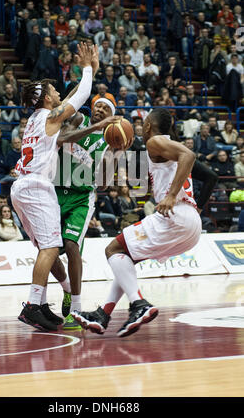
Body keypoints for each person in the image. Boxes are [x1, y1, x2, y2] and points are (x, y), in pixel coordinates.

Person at [72, 108, 202, 338]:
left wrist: (171, 195)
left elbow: (189, 156)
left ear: (149, 125)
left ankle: (139, 304)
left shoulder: (156, 142)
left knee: (112, 249)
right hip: (189, 223)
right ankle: (104, 314)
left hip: (176, 215)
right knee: (125, 258)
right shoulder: (160, 145)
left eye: (144, 122)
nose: (141, 125)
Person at [10, 43, 98, 332]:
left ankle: (44, 301)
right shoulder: (49, 117)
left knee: (45, 249)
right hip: (37, 186)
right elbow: (81, 95)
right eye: (55, 91)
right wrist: (87, 70)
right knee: (50, 247)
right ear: (47, 98)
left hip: (22, 186)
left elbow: (69, 99)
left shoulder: (37, 118)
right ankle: (33, 305)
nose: (60, 93)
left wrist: (89, 73)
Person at [48, 96, 123, 330]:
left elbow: (101, 185)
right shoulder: (79, 119)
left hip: (81, 196)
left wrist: (115, 153)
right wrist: (95, 127)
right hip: (55, 190)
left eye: (106, 108)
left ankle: (76, 309)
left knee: (71, 245)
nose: (100, 109)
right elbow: (60, 138)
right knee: (47, 251)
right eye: (98, 105)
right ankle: (67, 288)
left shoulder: (110, 141)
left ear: (112, 115)